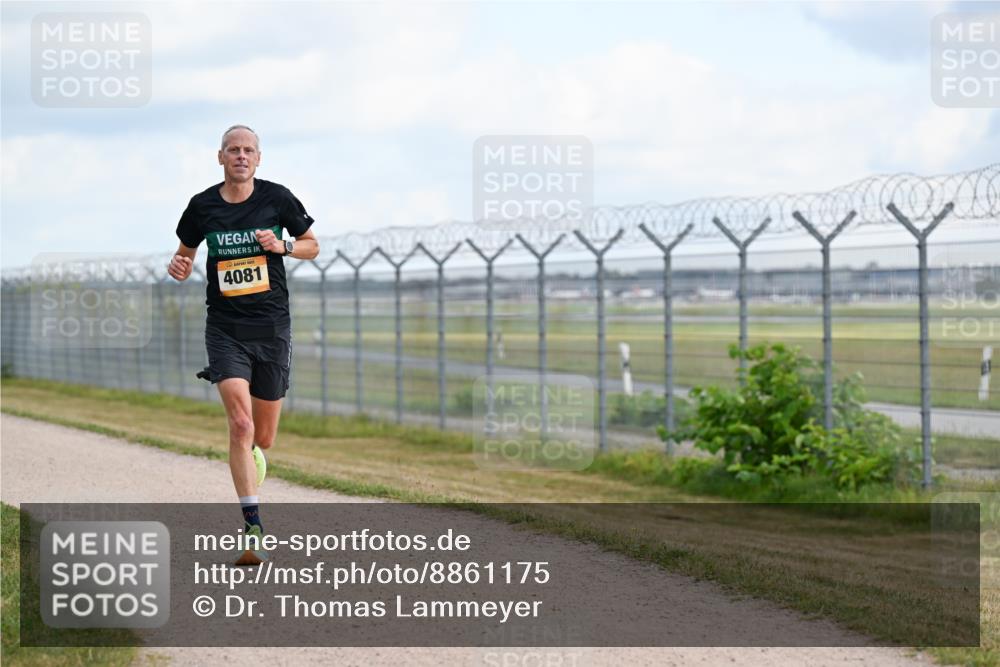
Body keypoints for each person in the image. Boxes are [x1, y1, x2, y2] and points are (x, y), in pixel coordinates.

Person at [168, 125, 319, 564]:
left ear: (258, 158)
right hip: (226, 327)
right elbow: (185, 253)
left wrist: (285, 245)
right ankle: (253, 528)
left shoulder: (277, 199)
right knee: (240, 424)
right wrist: (179, 266)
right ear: (220, 157)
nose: (240, 156)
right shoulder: (203, 206)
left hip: (271, 328)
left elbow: (313, 245)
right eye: (233, 150)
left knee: (263, 437)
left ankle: (253, 459)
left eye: (248, 150)